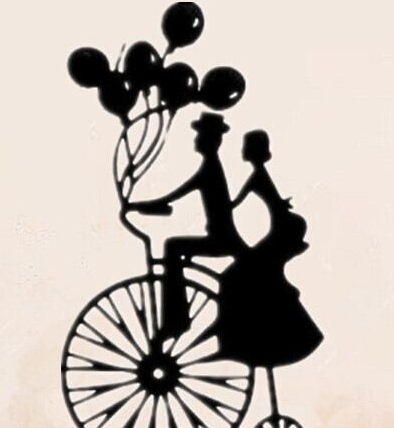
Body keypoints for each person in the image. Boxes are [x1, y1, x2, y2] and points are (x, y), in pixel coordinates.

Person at [129, 112, 246, 341]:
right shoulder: (211, 166)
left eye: (200, 135)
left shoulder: (210, 168)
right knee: (174, 248)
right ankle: (176, 319)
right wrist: (150, 206)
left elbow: (177, 194)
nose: (196, 140)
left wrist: (146, 205)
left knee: (173, 247)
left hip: (222, 240)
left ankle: (176, 320)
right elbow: (176, 197)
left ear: (210, 140)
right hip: (221, 237)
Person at [212, 130, 324, 367]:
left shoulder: (257, 176)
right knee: (255, 278)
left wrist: (213, 197)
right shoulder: (261, 174)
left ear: (252, 151)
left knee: (234, 277)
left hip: (281, 235)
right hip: (284, 231)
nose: (242, 150)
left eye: (246, 146)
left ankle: (237, 340)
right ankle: (249, 337)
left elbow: (231, 205)